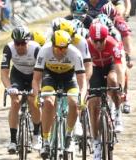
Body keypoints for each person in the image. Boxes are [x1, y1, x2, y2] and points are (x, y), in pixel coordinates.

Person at [33, 30, 87, 158]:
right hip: (50, 76)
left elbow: (82, 81)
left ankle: (69, 136)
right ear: (52, 45)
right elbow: (36, 79)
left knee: (74, 102)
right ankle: (45, 140)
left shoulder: (75, 53)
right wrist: (37, 95)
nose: (62, 51)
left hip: (69, 77)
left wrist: (82, 98)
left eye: (64, 48)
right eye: (58, 48)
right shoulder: (44, 51)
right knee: (48, 102)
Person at [85, 22, 124, 159]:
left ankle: (118, 112)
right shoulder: (86, 45)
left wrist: (121, 88)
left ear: (106, 37)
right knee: (93, 105)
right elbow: (84, 69)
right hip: (94, 68)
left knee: (112, 81)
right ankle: (96, 142)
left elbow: (119, 67)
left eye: (101, 40)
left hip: (110, 66)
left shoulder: (113, 44)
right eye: (95, 41)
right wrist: (85, 88)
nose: (98, 44)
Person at [1, 26, 42, 153]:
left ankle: (36, 135)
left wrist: (37, 90)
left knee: (32, 100)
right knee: (15, 101)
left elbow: (42, 73)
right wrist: (9, 88)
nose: (19, 46)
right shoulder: (8, 48)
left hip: (33, 76)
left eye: (22, 43)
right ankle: (13, 141)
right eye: (17, 43)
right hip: (17, 75)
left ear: (28, 41)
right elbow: (4, 74)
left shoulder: (36, 49)